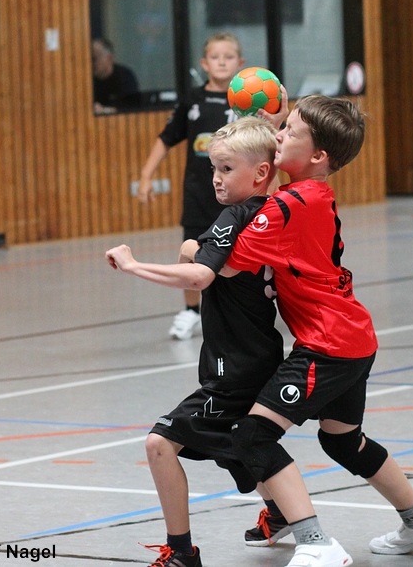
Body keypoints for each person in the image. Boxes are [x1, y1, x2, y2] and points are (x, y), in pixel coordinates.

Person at [219, 95, 413, 567]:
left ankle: (316, 542)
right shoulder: (311, 194)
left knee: (251, 436)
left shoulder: (288, 204)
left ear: (319, 155)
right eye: (281, 126)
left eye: (289, 132)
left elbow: (226, 264)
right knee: (342, 440)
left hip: (326, 345)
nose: (278, 135)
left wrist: (190, 250)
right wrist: (275, 129)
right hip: (354, 337)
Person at [105, 117, 284, 567]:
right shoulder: (275, 210)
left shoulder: (235, 216)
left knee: (159, 443)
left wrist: (134, 265)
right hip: (259, 354)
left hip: (235, 368)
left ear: (260, 172)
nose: (216, 179)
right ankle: (281, 512)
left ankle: (182, 552)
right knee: (239, 443)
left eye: (226, 169)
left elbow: (199, 274)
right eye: (213, 169)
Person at [136, 32, 245, 340]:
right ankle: (191, 310)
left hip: (236, 196)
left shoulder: (245, 102)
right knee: (191, 249)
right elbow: (166, 138)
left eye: (228, 57)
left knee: (239, 253)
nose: (221, 62)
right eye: (215, 57)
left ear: (240, 63)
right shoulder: (192, 100)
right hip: (198, 194)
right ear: (204, 63)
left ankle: (241, 310)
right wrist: (146, 176)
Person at [92, 37, 140, 114]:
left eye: (94, 59)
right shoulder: (89, 81)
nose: (91, 64)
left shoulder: (125, 76)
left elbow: (133, 108)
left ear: (109, 58)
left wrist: (105, 110)